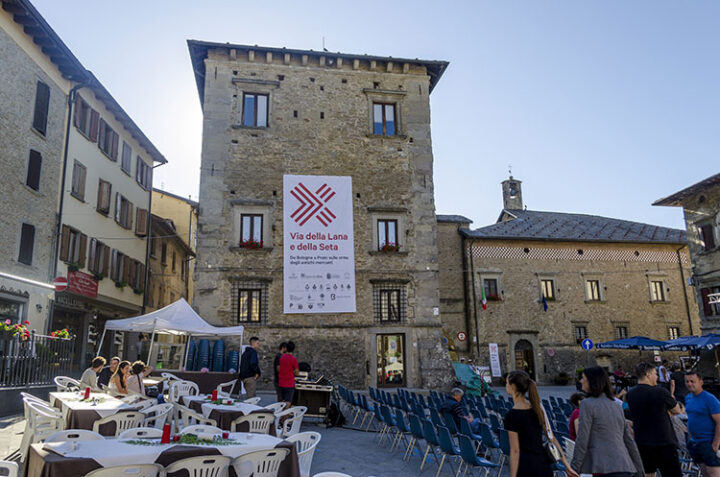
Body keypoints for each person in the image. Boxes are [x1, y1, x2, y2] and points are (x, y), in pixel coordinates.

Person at [571, 366, 644, 477]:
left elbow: (582, 439)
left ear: (591, 381)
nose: (581, 381)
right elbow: (628, 439)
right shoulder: (616, 405)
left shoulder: (587, 404)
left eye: (583, 378)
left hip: (603, 467)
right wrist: (639, 468)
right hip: (623, 465)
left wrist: (574, 468)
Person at [503, 370, 575, 477]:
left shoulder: (511, 415)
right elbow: (552, 437)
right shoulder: (538, 408)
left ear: (512, 386)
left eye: (506, 383)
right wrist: (566, 465)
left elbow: (515, 450)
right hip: (542, 464)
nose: (506, 386)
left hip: (525, 467)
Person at [625, 361, 682, 477]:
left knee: (648, 473)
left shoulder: (630, 394)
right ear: (648, 374)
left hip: (642, 442)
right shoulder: (660, 391)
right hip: (664, 441)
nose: (657, 377)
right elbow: (677, 410)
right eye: (655, 374)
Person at [684, 371, 720, 476]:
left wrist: (715, 444)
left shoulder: (710, 399)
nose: (689, 384)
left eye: (692, 381)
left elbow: (719, 422)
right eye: (687, 381)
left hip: (708, 442)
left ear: (701, 382)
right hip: (696, 443)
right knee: (704, 473)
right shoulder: (688, 398)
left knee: (714, 474)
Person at [277, 341, 299, 407]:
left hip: (281, 382)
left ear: (286, 348)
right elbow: (296, 372)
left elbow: (278, 369)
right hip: (289, 383)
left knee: (283, 400)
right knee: (288, 401)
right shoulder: (293, 359)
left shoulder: (282, 358)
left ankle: (282, 414)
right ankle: (284, 416)